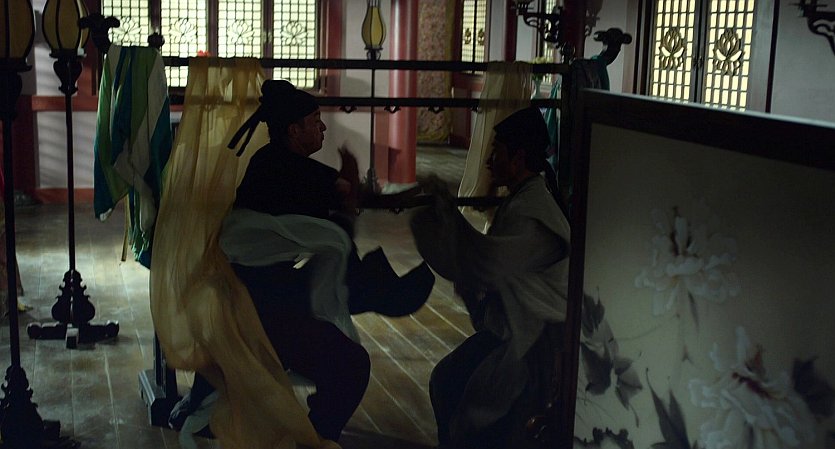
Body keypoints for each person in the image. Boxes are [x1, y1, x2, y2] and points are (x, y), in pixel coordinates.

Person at [169, 79, 435, 442]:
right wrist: (353, 188)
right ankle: (315, 438)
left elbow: (348, 197)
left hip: (258, 293)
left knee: (337, 266)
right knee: (352, 364)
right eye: (315, 121)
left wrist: (406, 195)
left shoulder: (275, 163)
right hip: (259, 310)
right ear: (294, 130)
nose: (323, 127)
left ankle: (374, 291)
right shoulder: (287, 171)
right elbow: (345, 202)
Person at [410, 106, 570, 449]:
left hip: (534, 342)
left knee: (467, 401)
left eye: (496, 151)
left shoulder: (533, 212)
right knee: (446, 380)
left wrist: (445, 215)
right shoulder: (524, 200)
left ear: (518, 158)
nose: (488, 161)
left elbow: (484, 262)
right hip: (513, 330)